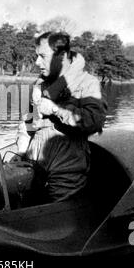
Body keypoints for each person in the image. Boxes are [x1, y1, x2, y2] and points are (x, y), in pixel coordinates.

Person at [16, 31, 107, 203]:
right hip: (34, 165)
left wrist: (56, 110)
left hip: (67, 169)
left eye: (42, 56)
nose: (36, 62)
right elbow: (28, 121)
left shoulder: (88, 84)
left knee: (59, 217)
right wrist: (20, 151)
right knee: (25, 209)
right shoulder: (40, 85)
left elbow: (94, 122)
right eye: (37, 56)